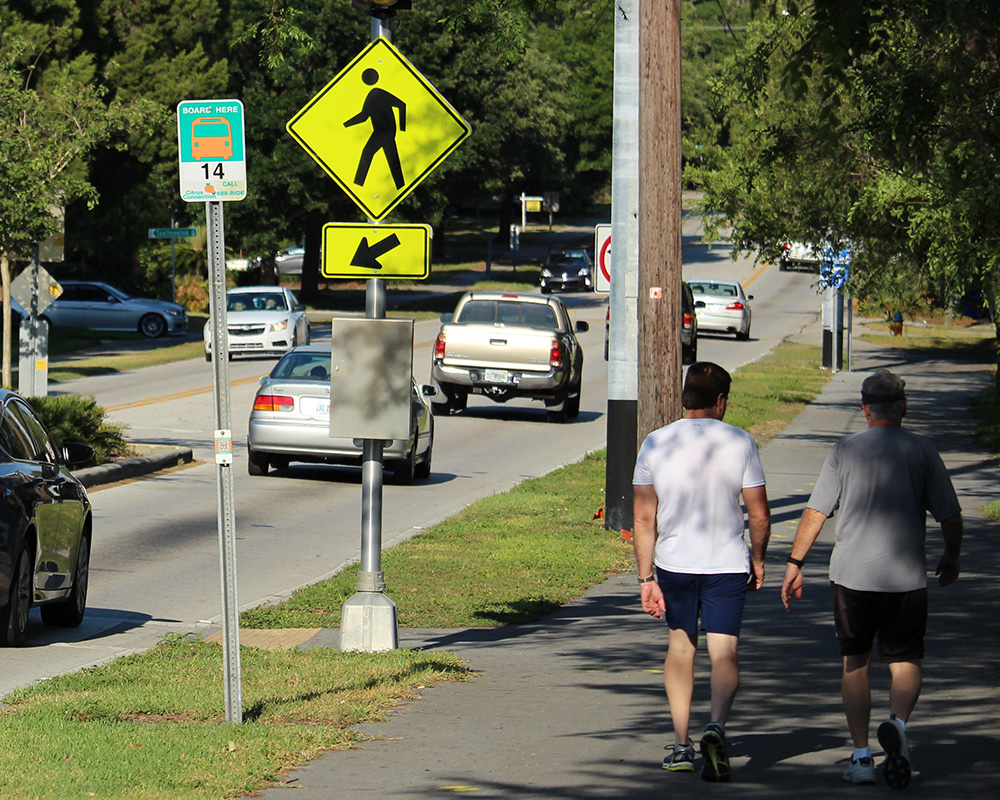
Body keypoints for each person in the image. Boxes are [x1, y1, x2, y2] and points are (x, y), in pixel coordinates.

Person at [780, 369, 963, 789]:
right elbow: (950, 516)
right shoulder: (923, 450)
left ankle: (862, 756)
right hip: (905, 577)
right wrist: (951, 556)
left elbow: (816, 511)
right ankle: (897, 723)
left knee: (855, 661)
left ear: (863, 409)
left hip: (851, 578)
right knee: (905, 660)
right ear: (904, 407)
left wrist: (795, 562)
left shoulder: (844, 450)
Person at [633, 362, 771, 782]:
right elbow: (759, 514)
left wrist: (645, 578)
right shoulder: (741, 442)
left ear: (684, 396)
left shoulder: (655, 443)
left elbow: (643, 518)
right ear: (721, 401)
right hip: (727, 563)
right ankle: (716, 726)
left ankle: (680, 744)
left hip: (674, 563)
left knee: (681, 649)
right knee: (724, 652)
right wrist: (759, 558)